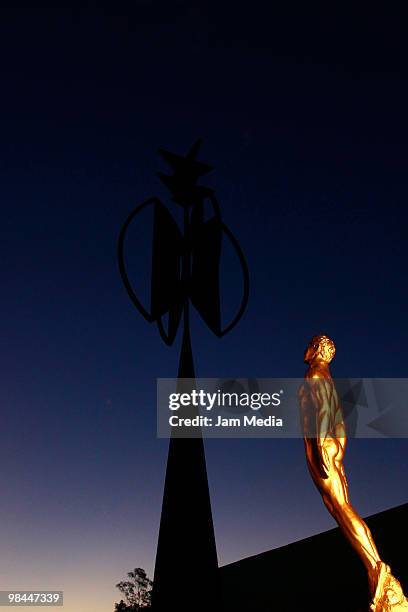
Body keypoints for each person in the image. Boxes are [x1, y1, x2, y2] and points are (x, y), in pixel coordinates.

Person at [298, 335, 408, 611]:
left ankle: (376, 567)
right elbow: (339, 420)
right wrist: (335, 447)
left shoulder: (315, 373)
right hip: (328, 444)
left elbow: (323, 410)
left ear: (317, 349)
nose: (307, 349)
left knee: (340, 507)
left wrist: (320, 446)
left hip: (322, 444)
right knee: (339, 507)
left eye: (311, 345)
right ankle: (376, 568)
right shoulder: (325, 374)